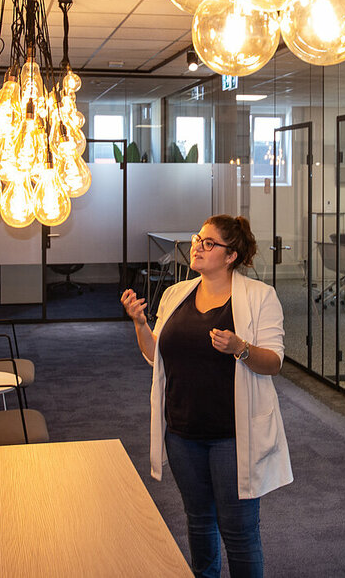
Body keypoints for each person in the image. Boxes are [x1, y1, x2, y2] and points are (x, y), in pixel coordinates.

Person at [121, 215, 292, 578]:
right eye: (199, 238)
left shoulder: (260, 297)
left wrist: (240, 347)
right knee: (198, 523)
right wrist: (141, 325)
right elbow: (156, 357)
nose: (197, 246)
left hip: (233, 436)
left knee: (239, 532)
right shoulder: (175, 294)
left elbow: (274, 362)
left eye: (209, 243)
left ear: (231, 256)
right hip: (182, 434)